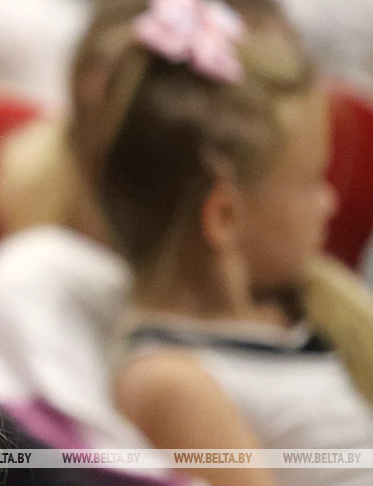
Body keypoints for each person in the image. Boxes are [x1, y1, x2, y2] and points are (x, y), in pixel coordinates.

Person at [72, 0, 373, 485]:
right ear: (225, 216)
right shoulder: (171, 380)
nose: (329, 203)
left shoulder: (294, 311)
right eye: (311, 180)